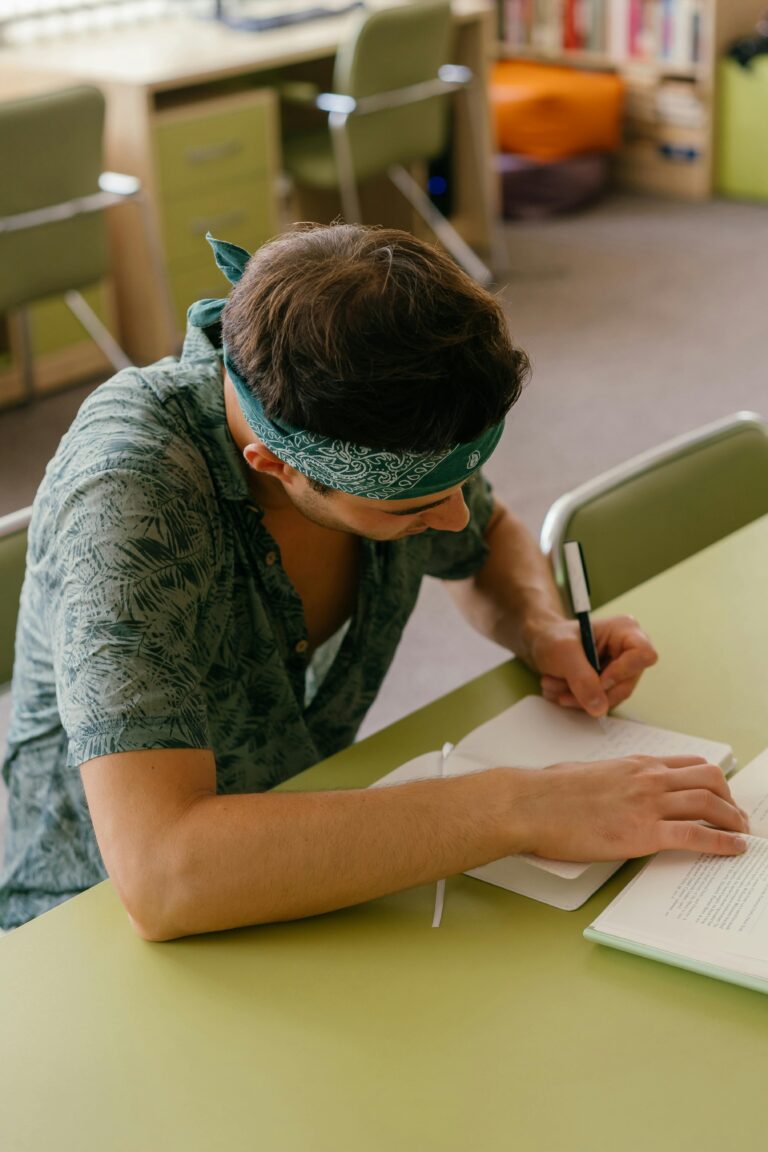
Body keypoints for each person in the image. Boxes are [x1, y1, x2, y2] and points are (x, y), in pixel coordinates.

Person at [0, 225, 747, 939]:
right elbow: (163, 876)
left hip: (311, 868)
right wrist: (521, 805)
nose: (457, 517)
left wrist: (539, 625)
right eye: (418, 506)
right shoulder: (129, 496)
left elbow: (485, 538)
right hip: (87, 921)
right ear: (275, 464)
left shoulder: (370, 414)